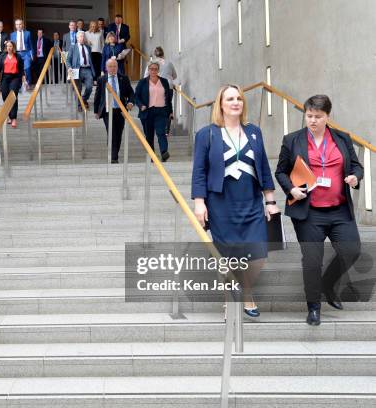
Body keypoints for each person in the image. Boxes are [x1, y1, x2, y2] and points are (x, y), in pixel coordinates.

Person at [275, 94, 363, 326]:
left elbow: (356, 165)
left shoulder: (342, 139)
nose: (313, 120)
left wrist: (355, 177)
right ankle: (313, 307)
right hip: (309, 212)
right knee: (312, 260)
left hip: (339, 210)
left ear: (327, 117)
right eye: (309, 116)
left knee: (352, 249)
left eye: (318, 116)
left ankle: (328, 282)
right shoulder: (292, 140)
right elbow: (280, 171)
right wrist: (291, 189)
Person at [191, 84, 279, 317]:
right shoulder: (207, 134)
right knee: (228, 255)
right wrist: (199, 202)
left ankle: (246, 290)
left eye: (239, 98)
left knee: (258, 255)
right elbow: (199, 171)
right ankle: (233, 297)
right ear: (220, 104)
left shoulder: (253, 131)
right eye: (230, 98)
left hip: (250, 201)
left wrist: (270, 201)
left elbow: (263, 167)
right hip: (221, 203)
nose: (235, 102)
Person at [93, 58, 134, 164]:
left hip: (120, 111)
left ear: (117, 67)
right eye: (110, 66)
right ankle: (113, 157)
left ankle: (114, 153)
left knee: (119, 133)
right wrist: (96, 111)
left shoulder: (123, 78)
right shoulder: (102, 79)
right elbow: (97, 96)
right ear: (106, 68)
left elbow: (130, 93)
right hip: (107, 111)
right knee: (111, 133)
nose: (112, 68)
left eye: (114, 66)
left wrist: (130, 102)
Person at [134, 62, 174, 162]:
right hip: (147, 111)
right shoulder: (142, 82)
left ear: (158, 70)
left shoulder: (164, 81)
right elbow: (136, 96)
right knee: (149, 135)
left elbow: (168, 98)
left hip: (161, 111)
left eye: (155, 69)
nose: (153, 71)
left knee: (161, 132)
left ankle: (164, 152)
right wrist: (140, 105)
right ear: (148, 70)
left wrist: (170, 111)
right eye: (151, 69)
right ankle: (152, 155)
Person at [0, 41, 26, 128]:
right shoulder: (3, 56)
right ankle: (9, 115)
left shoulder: (18, 56)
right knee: (5, 96)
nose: (9, 48)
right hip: (5, 78)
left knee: (13, 96)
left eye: (10, 46)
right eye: (7, 46)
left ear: (13, 47)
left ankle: (13, 118)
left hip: (15, 78)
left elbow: (22, 69)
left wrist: (24, 79)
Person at [66, 31, 96, 110]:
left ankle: (84, 99)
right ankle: (79, 105)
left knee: (89, 86)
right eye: (80, 37)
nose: (82, 38)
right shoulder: (73, 47)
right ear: (77, 38)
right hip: (76, 70)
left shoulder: (88, 47)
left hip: (87, 69)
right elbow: (68, 59)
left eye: (83, 36)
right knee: (78, 89)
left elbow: (90, 59)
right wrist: (69, 67)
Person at [10, 19, 33, 89]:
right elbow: (11, 45)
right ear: (15, 26)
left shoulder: (28, 33)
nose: (18, 26)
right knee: (17, 70)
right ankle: (19, 84)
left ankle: (28, 83)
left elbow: (31, 45)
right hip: (17, 54)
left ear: (22, 25)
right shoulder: (12, 34)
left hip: (26, 53)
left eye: (20, 24)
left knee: (27, 68)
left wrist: (31, 55)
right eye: (17, 24)